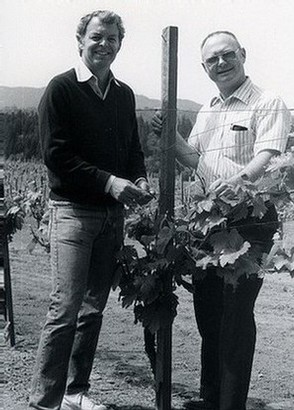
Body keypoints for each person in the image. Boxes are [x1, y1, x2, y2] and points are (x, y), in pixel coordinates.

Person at [152, 31, 291, 410]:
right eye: (212, 60)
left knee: (235, 316)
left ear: (243, 54)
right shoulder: (209, 109)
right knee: (209, 314)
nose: (221, 63)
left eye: (227, 55)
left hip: (249, 224)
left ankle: (231, 405)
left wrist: (214, 174)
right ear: (204, 68)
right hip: (208, 224)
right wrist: (173, 140)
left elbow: (263, 164)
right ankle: (211, 398)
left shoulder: (268, 102)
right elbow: (192, 159)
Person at [29, 10, 153, 410]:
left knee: (92, 310)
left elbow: (132, 151)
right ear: (80, 40)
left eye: (113, 38)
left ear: (120, 44)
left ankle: (75, 393)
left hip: (112, 218)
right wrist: (109, 182)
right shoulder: (61, 89)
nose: (104, 45)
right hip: (72, 214)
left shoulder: (123, 94)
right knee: (64, 308)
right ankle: (43, 402)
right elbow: (56, 155)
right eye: (97, 37)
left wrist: (140, 178)